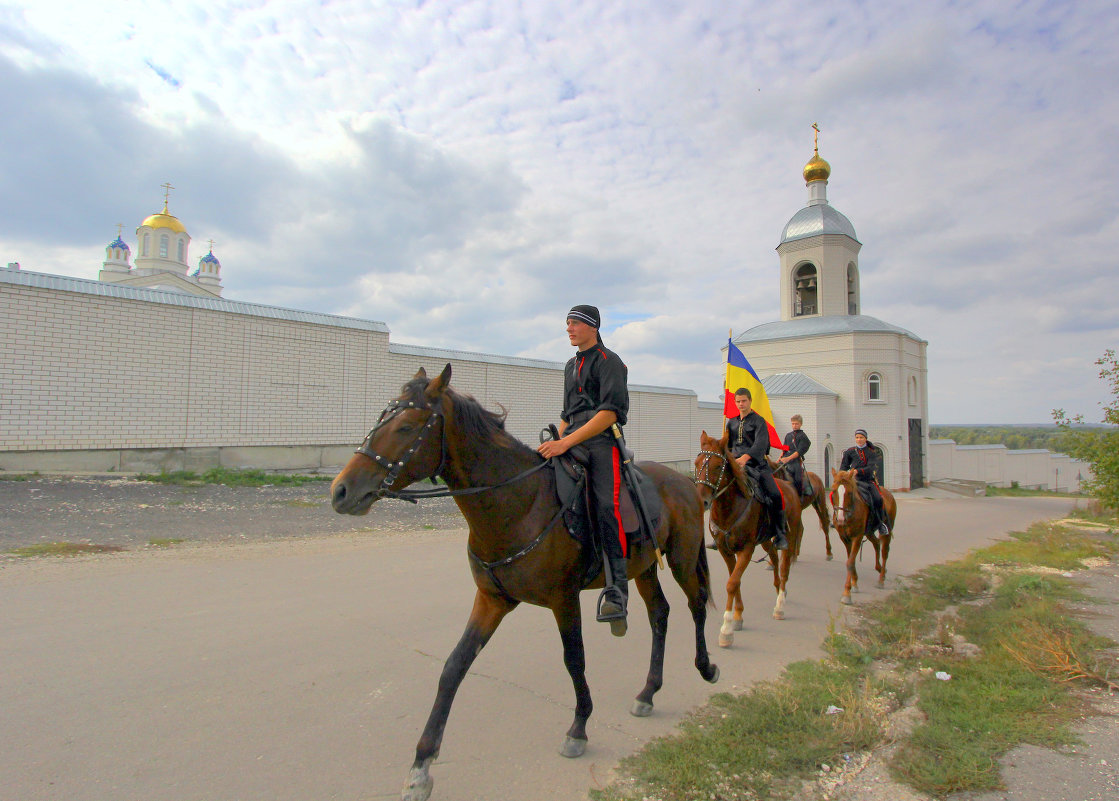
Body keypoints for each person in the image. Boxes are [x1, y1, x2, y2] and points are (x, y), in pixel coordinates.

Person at [538, 305, 631, 634]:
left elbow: (609, 413)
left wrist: (566, 442)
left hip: (602, 442)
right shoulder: (569, 365)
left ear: (593, 327)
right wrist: (556, 441)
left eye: (574, 323)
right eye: (567, 323)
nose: (568, 328)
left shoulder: (610, 362)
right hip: (572, 438)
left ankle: (618, 590)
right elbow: (567, 411)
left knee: (608, 505)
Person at [724, 387, 788, 551]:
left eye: (744, 401)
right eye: (738, 401)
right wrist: (729, 457)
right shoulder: (731, 422)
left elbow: (760, 445)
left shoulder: (759, 421)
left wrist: (745, 458)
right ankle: (720, 531)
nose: (741, 404)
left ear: (750, 401)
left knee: (775, 494)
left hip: (757, 465)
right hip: (735, 465)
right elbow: (728, 445)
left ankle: (780, 534)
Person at [839, 429, 890, 536]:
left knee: (878, 499)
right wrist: (843, 474)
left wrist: (858, 471)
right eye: (857, 437)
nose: (859, 439)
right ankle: (838, 519)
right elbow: (843, 465)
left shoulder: (871, 452)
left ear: (865, 439)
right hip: (853, 481)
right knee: (838, 494)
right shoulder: (850, 451)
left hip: (867, 481)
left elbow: (871, 467)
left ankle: (881, 524)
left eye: (861, 437)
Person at [778, 414, 811, 498]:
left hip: (795, 460)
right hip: (785, 459)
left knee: (798, 479)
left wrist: (788, 458)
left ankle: (799, 496)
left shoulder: (803, 436)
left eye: (796, 424)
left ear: (800, 424)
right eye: (793, 424)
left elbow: (799, 452)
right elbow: (784, 449)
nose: (794, 426)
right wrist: (779, 459)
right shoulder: (788, 435)